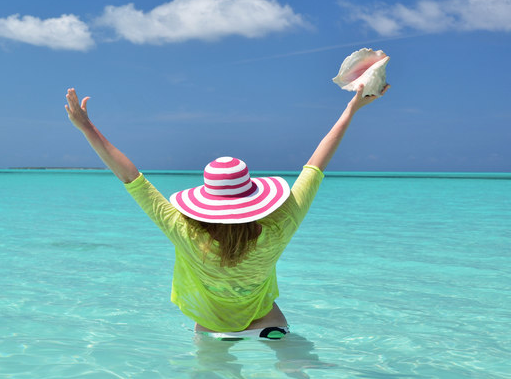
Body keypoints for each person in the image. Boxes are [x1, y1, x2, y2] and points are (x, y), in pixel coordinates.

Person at [64, 82, 390, 340]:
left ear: (206, 200)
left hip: (211, 329)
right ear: (254, 196)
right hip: (267, 321)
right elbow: (315, 167)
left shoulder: (184, 231)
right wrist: (351, 110)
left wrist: (87, 129)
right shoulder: (280, 225)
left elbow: (131, 178)